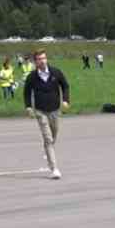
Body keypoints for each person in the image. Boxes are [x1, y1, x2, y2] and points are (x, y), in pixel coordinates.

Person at [23, 49, 70, 179]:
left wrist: (65, 100)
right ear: (35, 61)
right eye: (39, 59)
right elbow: (26, 92)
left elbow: (65, 86)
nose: (42, 61)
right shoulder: (32, 76)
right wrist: (28, 107)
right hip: (40, 111)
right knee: (48, 138)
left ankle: (49, 150)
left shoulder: (56, 72)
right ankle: (54, 168)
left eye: (44, 58)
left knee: (53, 135)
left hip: (55, 110)